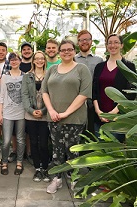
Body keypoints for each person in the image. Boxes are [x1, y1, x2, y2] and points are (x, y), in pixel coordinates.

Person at [42, 40, 92, 194]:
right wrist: (50, 110)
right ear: (59, 52)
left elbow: (84, 94)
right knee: (56, 150)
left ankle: (74, 177)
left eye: (69, 49)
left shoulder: (81, 69)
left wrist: (66, 113)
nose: (66, 52)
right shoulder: (52, 70)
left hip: (74, 118)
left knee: (72, 150)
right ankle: (56, 178)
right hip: (54, 117)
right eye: (63, 50)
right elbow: (44, 91)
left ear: (74, 51)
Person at [93, 33, 136, 142]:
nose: (113, 45)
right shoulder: (99, 67)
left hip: (119, 118)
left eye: (116, 42)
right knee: (100, 152)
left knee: (116, 152)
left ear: (121, 45)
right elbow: (94, 91)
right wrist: (99, 112)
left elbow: (130, 94)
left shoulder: (129, 66)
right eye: (110, 43)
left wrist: (113, 113)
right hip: (99, 117)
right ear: (107, 46)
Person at [22, 51, 50, 182]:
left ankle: (45, 167)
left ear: (44, 60)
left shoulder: (49, 75)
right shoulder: (27, 76)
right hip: (31, 115)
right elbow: (25, 95)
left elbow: (52, 95)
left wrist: (43, 111)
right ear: (33, 61)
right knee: (33, 142)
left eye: (41, 58)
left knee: (44, 143)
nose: (39, 61)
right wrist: (31, 110)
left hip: (45, 115)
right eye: (37, 59)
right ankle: (37, 168)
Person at [0, 52, 25, 176]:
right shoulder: (5, 76)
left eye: (16, 59)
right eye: (12, 60)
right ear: (9, 62)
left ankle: (19, 162)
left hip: (21, 113)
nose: (14, 62)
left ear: (20, 61)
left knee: (20, 139)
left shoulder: (25, 76)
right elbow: (1, 95)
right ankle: (4, 162)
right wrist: (0, 113)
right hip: (8, 113)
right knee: (6, 140)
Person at [8, 42, 34, 164]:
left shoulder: (34, 64)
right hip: (15, 102)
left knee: (27, 130)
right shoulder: (18, 64)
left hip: (29, 102)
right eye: (24, 49)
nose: (27, 51)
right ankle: (14, 151)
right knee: (14, 130)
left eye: (29, 49)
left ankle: (28, 152)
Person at [75, 30, 103, 138]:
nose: (84, 42)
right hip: (77, 99)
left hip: (94, 100)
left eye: (87, 39)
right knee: (79, 129)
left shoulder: (99, 60)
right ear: (78, 43)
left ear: (91, 41)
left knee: (93, 129)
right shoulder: (73, 59)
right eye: (81, 40)